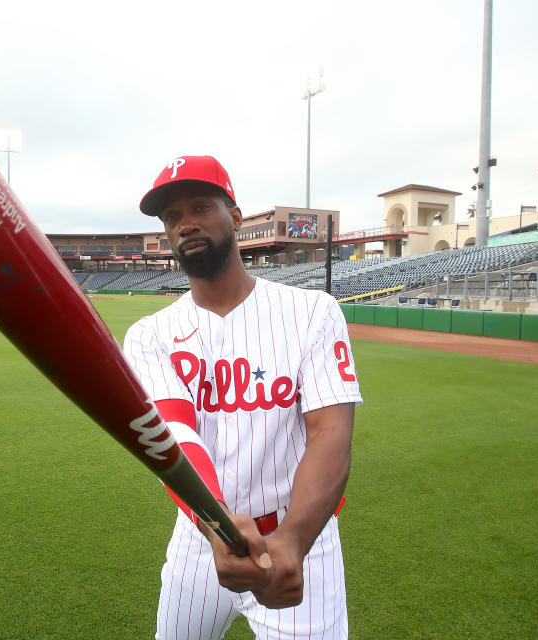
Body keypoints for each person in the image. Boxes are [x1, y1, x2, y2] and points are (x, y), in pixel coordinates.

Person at [122, 156, 362, 639]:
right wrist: (217, 529)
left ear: (234, 217)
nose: (185, 223)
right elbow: (175, 437)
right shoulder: (151, 335)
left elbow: (331, 433)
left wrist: (293, 540)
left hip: (300, 539)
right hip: (198, 539)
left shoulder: (312, 312)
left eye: (200, 207)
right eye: (171, 217)